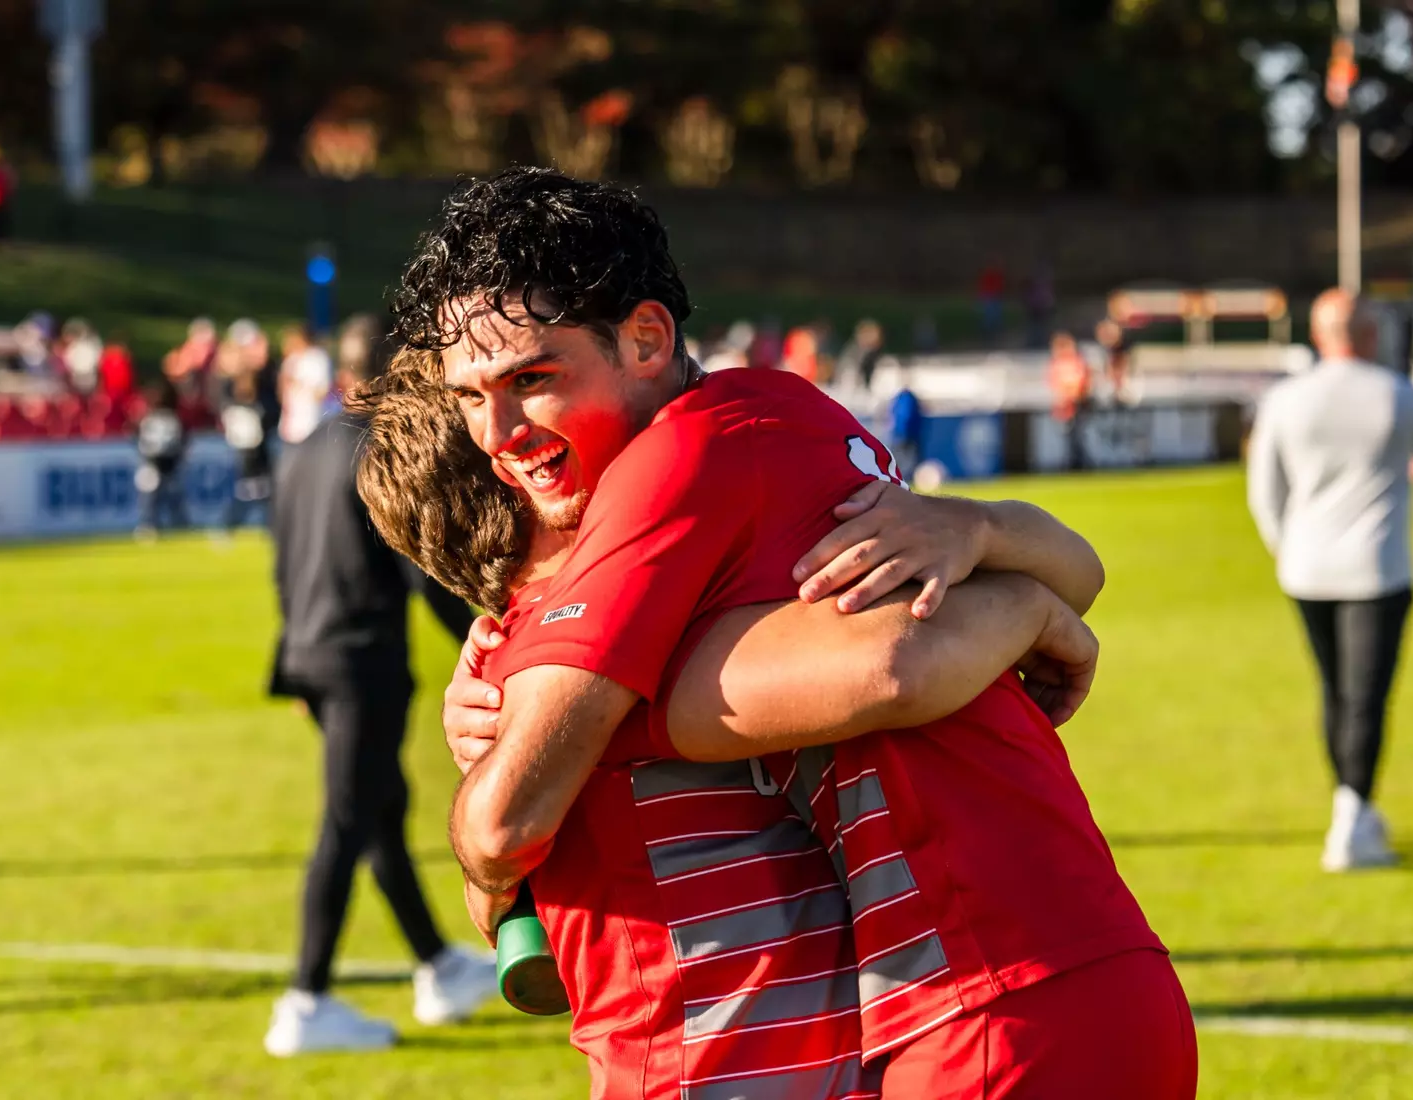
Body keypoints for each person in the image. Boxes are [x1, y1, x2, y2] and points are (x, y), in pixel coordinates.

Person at [369, 168, 1192, 1097]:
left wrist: (538, 717)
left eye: (532, 379)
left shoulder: (684, 456)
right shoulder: (787, 418)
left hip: (981, 1003)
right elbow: (1049, 582)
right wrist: (1005, 552)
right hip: (1067, 975)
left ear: (647, 338)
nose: (500, 431)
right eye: (471, 397)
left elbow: (891, 660)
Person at [265, 352, 498, 1058]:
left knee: (379, 812)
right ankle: (306, 1000)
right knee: (346, 820)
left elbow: (281, 563)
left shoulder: (302, 450)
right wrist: (491, 638)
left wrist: (291, 666)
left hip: (310, 655)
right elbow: (423, 569)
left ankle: (437, 965)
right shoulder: (377, 451)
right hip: (359, 661)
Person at [1248, 289, 1413, 872]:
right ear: (1369, 336)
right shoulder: (1398, 395)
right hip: (1379, 569)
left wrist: (1285, 547)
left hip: (1306, 569)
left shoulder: (1287, 399)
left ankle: (1354, 809)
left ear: (1319, 336)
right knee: (1367, 697)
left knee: (1335, 691)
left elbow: (1264, 491)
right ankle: (1353, 817)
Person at [218, 372, 272, 534]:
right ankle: (229, 525)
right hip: (243, 455)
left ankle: (268, 524)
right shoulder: (235, 409)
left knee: (262, 493)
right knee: (242, 494)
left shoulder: (258, 407)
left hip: (257, 456)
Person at [134, 386, 187, 539]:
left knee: (152, 499)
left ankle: (150, 526)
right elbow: (181, 442)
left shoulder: (148, 419)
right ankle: (176, 525)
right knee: (166, 498)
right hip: (165, 463)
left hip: (152, 462)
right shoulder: (172, 419)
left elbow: (140, 441)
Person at [277, 327, 333, 446]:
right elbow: (282, 394)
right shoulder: (290, 360)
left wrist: (299, 384)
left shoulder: (318, 358)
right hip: (290, 428)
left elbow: (322, 392)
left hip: (310, 425)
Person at [1048, 331, 1091, 470]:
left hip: (1076, 405)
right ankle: (1073, 462)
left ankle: (1079, 463)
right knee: (1068, 437)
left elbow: (1082, 384)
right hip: (1064, 407)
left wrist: (1070, 394)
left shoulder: (1076, 362)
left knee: (1076, 436)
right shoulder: (1057, 363)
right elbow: (1054, 386)